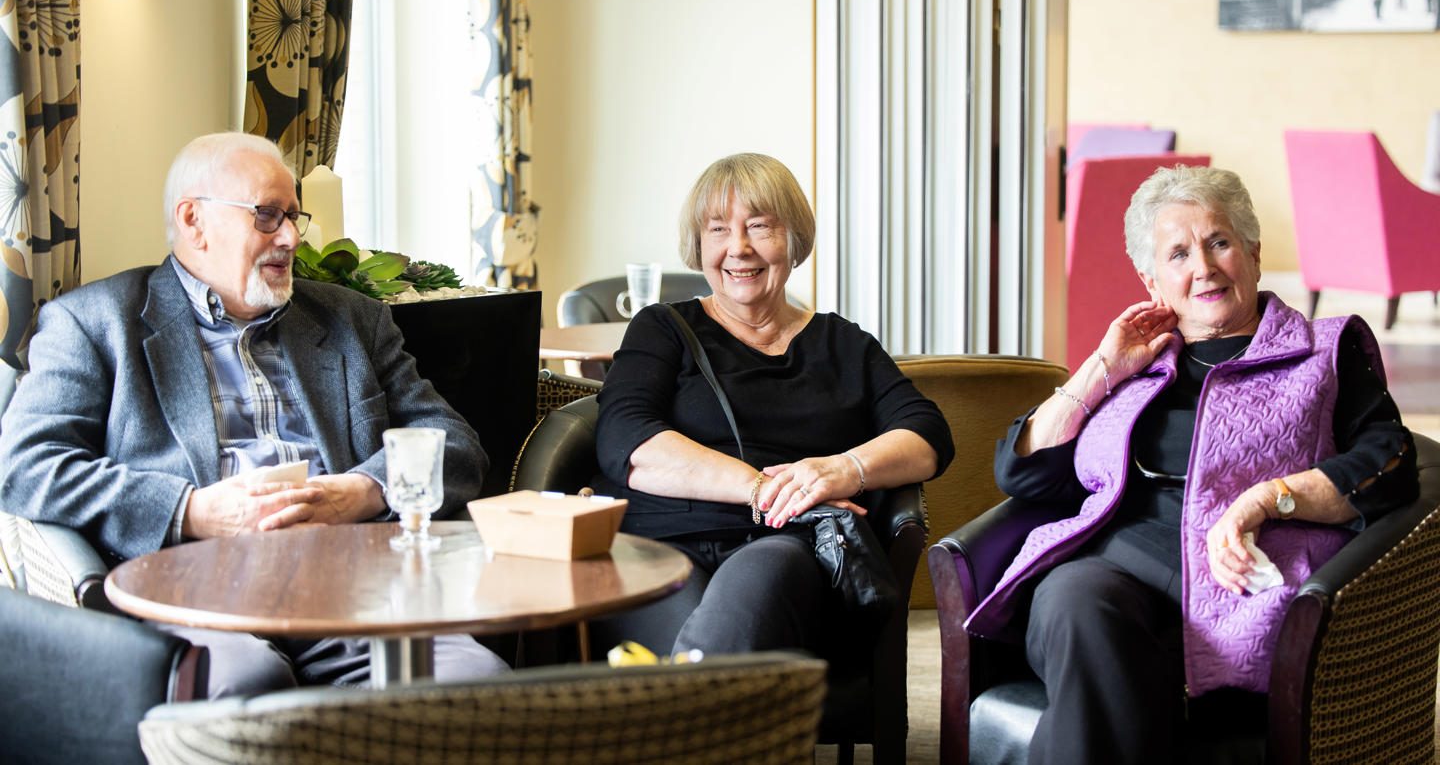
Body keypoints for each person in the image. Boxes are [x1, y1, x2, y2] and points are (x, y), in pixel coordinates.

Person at [0, 132, 508, 696]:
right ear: (193, 220)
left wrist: (363, 491)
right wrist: (189, 511)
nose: (290, 237)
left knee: (478, 684)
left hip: (351, 588)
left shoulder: (351, 321)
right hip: (193, 591)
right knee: (243, 690)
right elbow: (22, 466)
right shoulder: (95, 324)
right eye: (267, 215)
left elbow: (454, 443)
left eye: (294, 216)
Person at [964, 165, 1418, 764]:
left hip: (1244, 584)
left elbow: (1392, 460)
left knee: (1114, 681)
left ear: (1254, 254)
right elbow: (1022, 472)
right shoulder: (1136, 365)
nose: (1202, 267)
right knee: (1079, 607)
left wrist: (1267, 498)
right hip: (1110, 573)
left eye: (1219, 242)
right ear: (1153, 282)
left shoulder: (1324, 351)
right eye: (1177, 254)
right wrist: (1102, 367)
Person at [591, 153, 954, 659]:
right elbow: (625, 439)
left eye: (760, 227)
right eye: (718, 229)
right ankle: (709, 714)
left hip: (781, 548)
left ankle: (686, 713)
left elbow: (927, 434)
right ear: (699, 245)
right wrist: (763, 489)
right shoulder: (663, 328)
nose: (738, 248)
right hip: (662, 539)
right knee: (684, 643)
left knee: (759, 580)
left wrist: (843, 469)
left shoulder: (844, 344)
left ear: (793, 239)